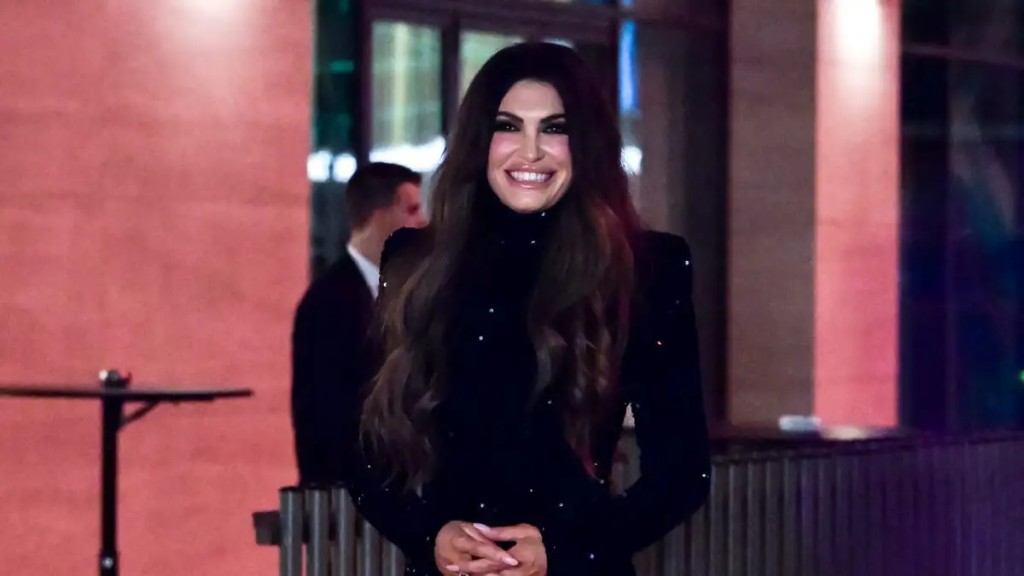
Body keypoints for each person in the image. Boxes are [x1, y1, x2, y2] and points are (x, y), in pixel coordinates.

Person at [350, 42, 710, 576]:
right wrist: (430, 535)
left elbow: (681, 473)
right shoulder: (414, 261)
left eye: (555, 129)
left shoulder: (646, 268)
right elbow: (368, 449)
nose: (531, 151)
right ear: (480, 140)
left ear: (584, 144)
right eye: (509, 127)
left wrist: (565, 550)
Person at [291, 162, 427, 486]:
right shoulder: (327, 300)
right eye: (411, 209)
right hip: (351, 492)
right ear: (380, 215)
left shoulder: (411, 293)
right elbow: (324, 415)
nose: (423, 221)